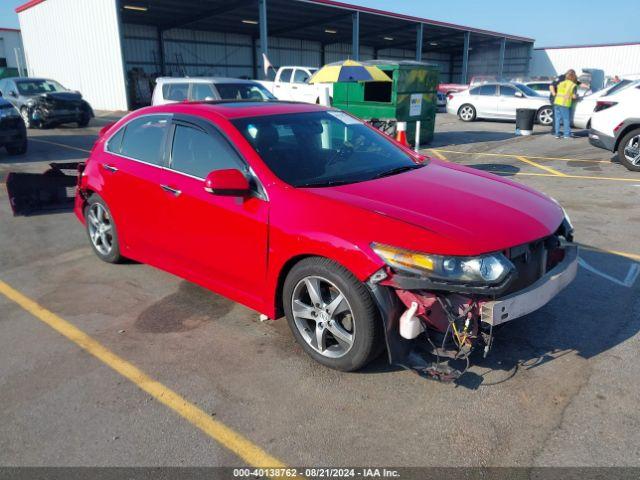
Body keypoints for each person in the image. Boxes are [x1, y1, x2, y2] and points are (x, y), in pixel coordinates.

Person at [553, 70, 578, 139]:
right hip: (564, 104)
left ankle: (557, 134)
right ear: (574, 76)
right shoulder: (573, 85)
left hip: (557, 102)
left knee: (557, 119)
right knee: (566, 119)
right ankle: (566, 135)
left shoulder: (561, 83)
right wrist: (576, 96)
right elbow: (574, 96)